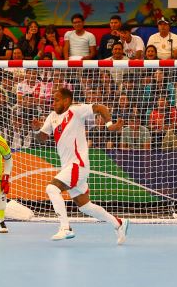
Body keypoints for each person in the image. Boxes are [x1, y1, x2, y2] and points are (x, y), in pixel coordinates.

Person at [31, 88, 129, 242]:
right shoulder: (52, 117)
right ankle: (119, 223)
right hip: (68, 167)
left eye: (57, 100)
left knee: (52, 188)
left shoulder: (76, 111)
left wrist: (109, 124)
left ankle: (65, 228)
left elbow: (100, 108)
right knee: (85, 206)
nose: (53, 103)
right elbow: (43, 138)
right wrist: (37, 129)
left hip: (78, 164)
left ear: (66, 100)